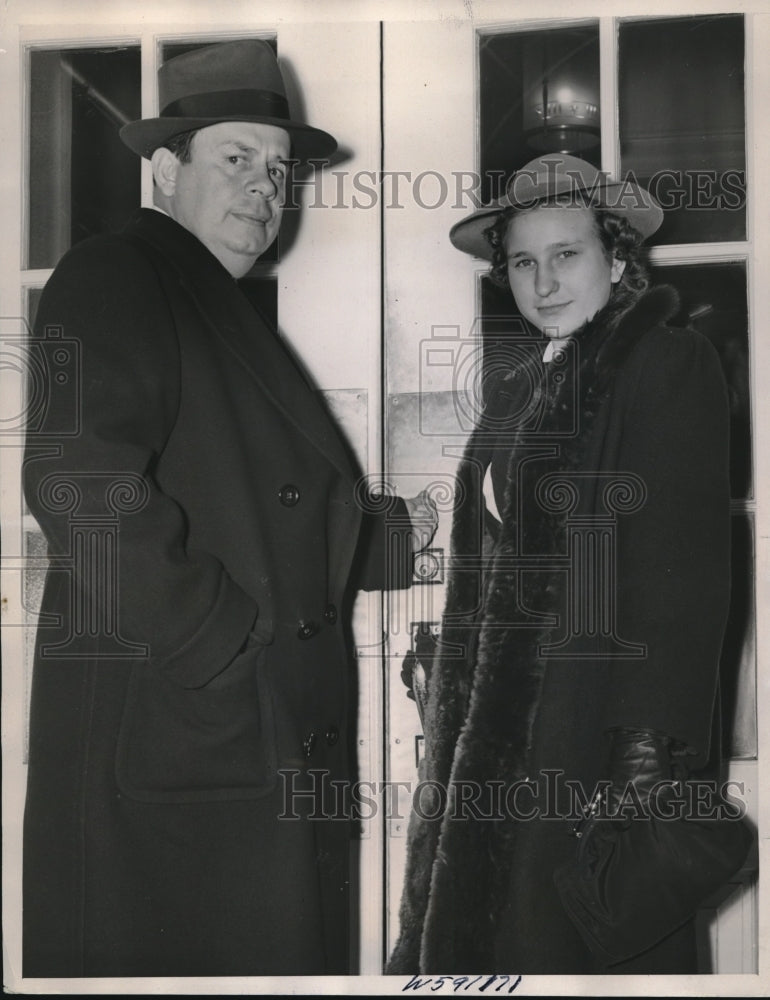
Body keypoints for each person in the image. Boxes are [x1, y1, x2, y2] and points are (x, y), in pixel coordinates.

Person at [22, 39, 435, 978]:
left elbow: (255, 507)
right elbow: (78, 482)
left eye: (278, 169)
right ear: (165, 169)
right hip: (185, 738)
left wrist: (404, 546)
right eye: (236, 159)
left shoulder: (212, 299)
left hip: (228, 743)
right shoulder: (118, 271)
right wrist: (218, 641)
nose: (263, 188)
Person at [387, 154, 734, 974]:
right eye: (522, 261)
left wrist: (643, 766)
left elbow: (679, 582)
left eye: (567, 255)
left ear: (616, 258)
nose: (543, 282)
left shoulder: (664, 363)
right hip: (504, 741)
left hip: (593, 739)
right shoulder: (519, 392)